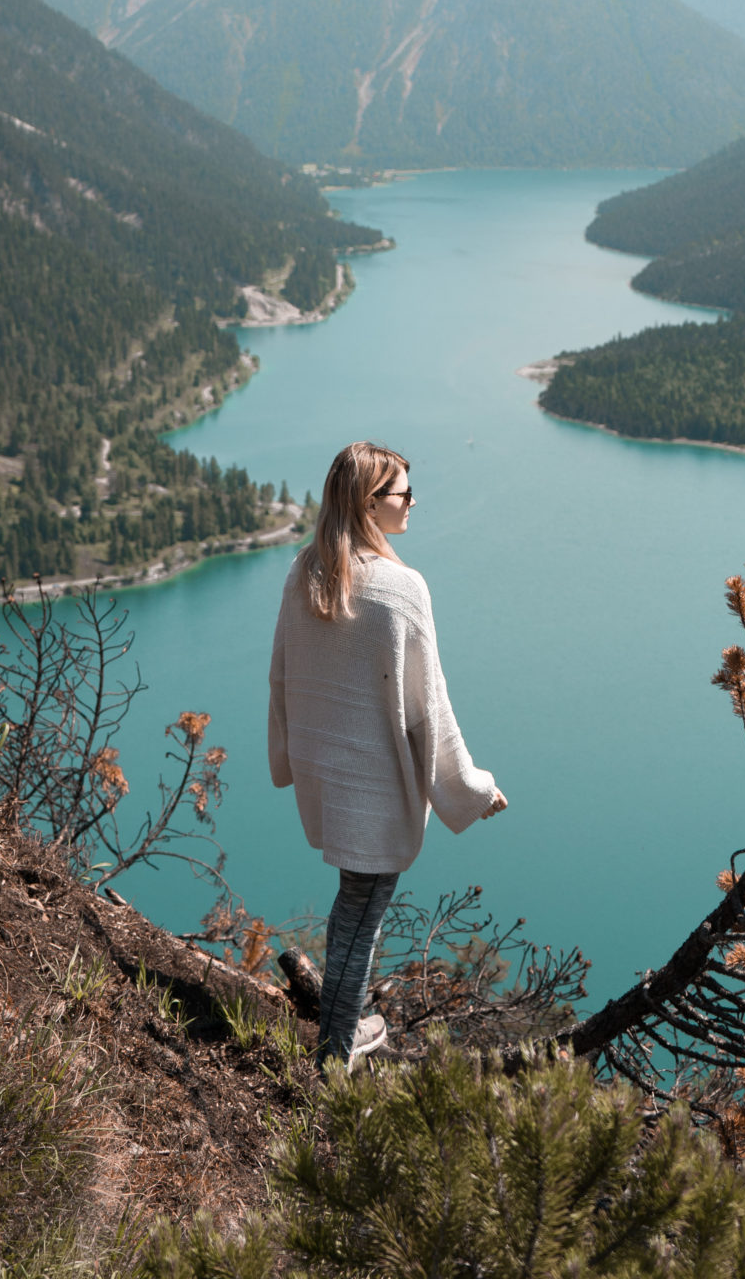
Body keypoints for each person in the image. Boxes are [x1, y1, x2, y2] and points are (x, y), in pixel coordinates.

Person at [268, 440, 507, 1073]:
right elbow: (429, 707)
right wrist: (470, 786)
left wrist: (288, 755)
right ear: (371, 503)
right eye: (403, 493)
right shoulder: (401, 589)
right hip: (373, 783)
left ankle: (344, 1029)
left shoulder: (304, 571)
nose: (413, 502)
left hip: (326, 770)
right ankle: (335, 1055)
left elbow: (281, 676)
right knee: (362, 912)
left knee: (354, 901)